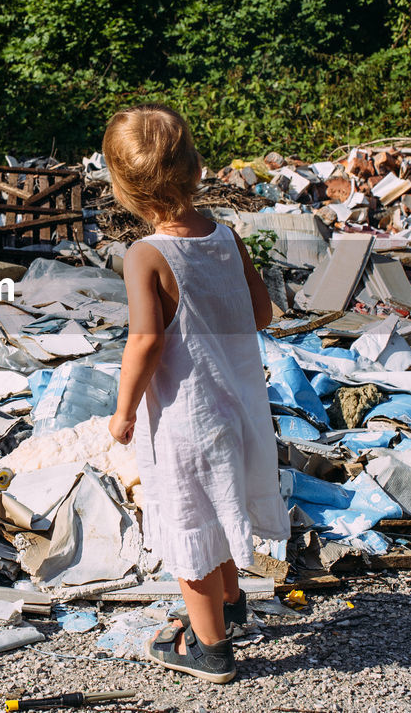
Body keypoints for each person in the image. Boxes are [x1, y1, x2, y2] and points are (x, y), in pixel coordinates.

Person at [103, 103, 288, 684]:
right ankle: (231, 604)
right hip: (238, 405)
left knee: (189, 524)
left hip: (185, 417)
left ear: (123, 185)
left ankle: (209, 649)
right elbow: (261, 312)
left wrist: (122, 410)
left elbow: (145, 340)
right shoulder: (226, 236)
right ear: (196, 167)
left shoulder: (146, 254)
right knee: (221, 506)